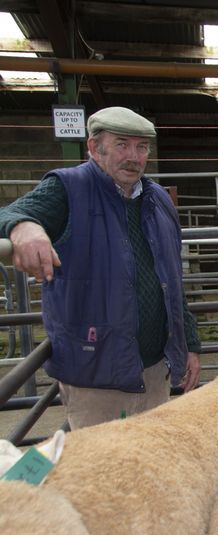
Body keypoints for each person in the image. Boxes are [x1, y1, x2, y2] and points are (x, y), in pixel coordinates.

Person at [0, 106, 201, 428]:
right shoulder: (67, 188)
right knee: (101, 469)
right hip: (97, 374)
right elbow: (8, 214)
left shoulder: (158, 199)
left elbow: (172, 282)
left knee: (153, 461)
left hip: (155, 369)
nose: (133, 156)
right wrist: (23, 227)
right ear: (94, 148)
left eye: (142, 147)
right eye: (122, 145)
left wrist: (188, 344)